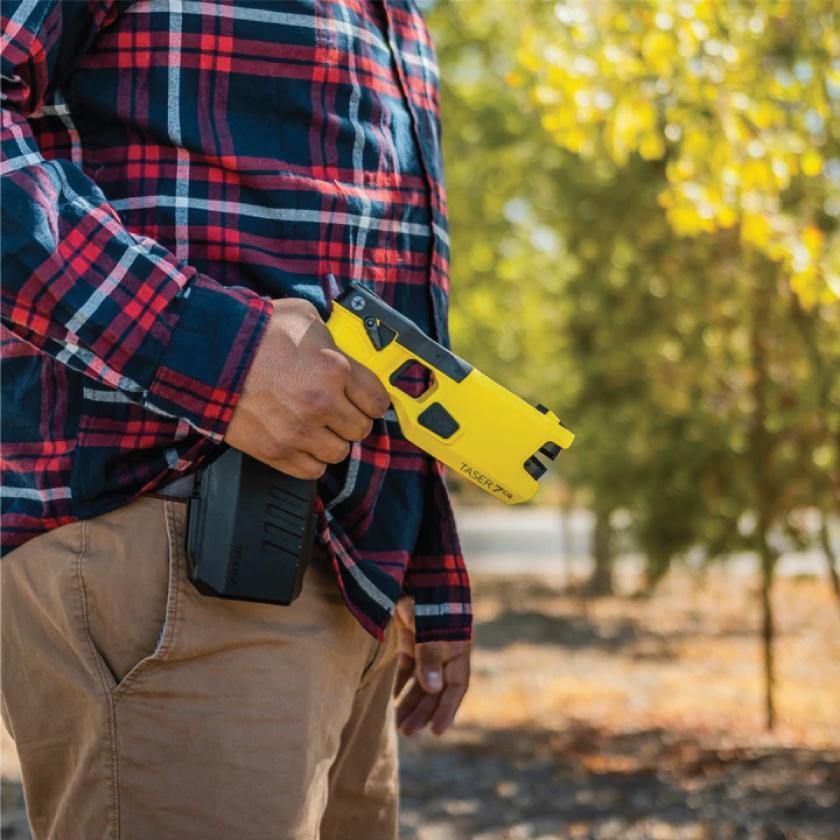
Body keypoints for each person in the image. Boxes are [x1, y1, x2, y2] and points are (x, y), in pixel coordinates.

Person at [0, 1, 471, 837]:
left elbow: (383, 276)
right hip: (165, 532)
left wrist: (422, 562)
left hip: (348, 573)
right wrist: (218, 354)